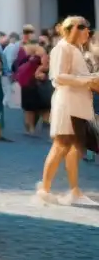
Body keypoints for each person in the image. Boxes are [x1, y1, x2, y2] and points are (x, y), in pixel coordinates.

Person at [37, 16, 99, 206]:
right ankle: (45, 190)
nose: (88, 32)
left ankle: (74, 191)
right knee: (61, 145)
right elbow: (58, 76)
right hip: (68, 103)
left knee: (76, 148)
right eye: (84, 28)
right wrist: (87, 80)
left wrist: (91, 79)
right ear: (73, 29)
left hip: (79, 104)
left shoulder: (76, 49)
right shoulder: (61, 48)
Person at [16, 44, 48, 135]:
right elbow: (44, 67)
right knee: (32, 108)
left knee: (29, 109)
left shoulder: (31, 58)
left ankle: (30, 128)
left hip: (27, 83)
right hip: (30, 83)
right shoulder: (37, 57)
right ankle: (31, 128)